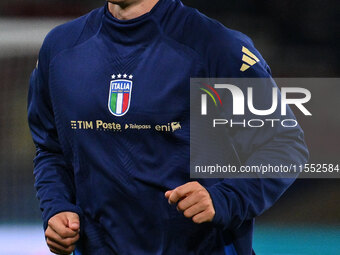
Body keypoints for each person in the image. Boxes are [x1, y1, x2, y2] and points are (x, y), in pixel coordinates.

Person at [27, 0, 309, 254]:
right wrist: (57, 206)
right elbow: (50, 149)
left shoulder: (217, 47)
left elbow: (285, 146)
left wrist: (225, 198)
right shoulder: (61, 48)